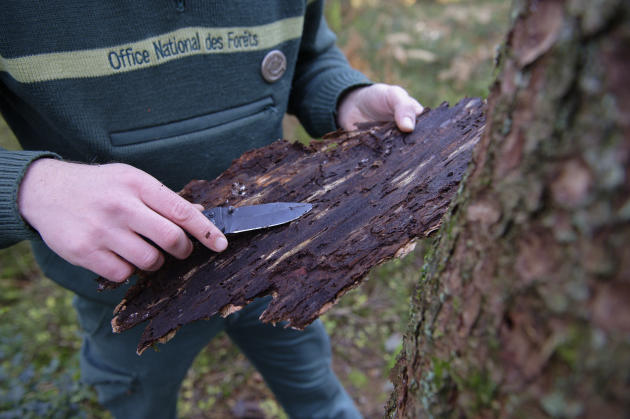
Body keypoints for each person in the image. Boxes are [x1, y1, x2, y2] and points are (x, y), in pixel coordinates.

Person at [0, 1, 422, 418]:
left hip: (272, 258)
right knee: (139, 403)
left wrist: (344, 96)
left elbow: (307, 56)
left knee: (316, 391)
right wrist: (30, 186)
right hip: (130, 288)